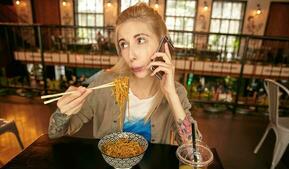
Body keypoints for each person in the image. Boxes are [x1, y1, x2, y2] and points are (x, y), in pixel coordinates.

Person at [48, 3, 200, 144]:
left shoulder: (176, 92)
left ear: (162, 43)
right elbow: (55, 134)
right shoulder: (105, 83)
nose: (131, 55)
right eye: (124, 44)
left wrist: (171, 95)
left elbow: (194, 151)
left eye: (140, 40)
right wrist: (63, 113)